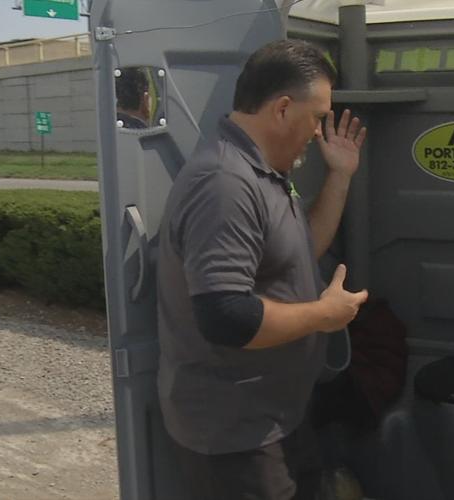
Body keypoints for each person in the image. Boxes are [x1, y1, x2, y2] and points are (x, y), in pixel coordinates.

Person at [155, 39, 369, 500]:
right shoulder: (224, 184)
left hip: (274, 418)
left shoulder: (266, 173)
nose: (318, 132)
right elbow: (225, 316)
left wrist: (340, 175)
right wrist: (323, 316)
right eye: (316, 117)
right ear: (283, 109)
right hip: (235, 433)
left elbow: (300, 248)